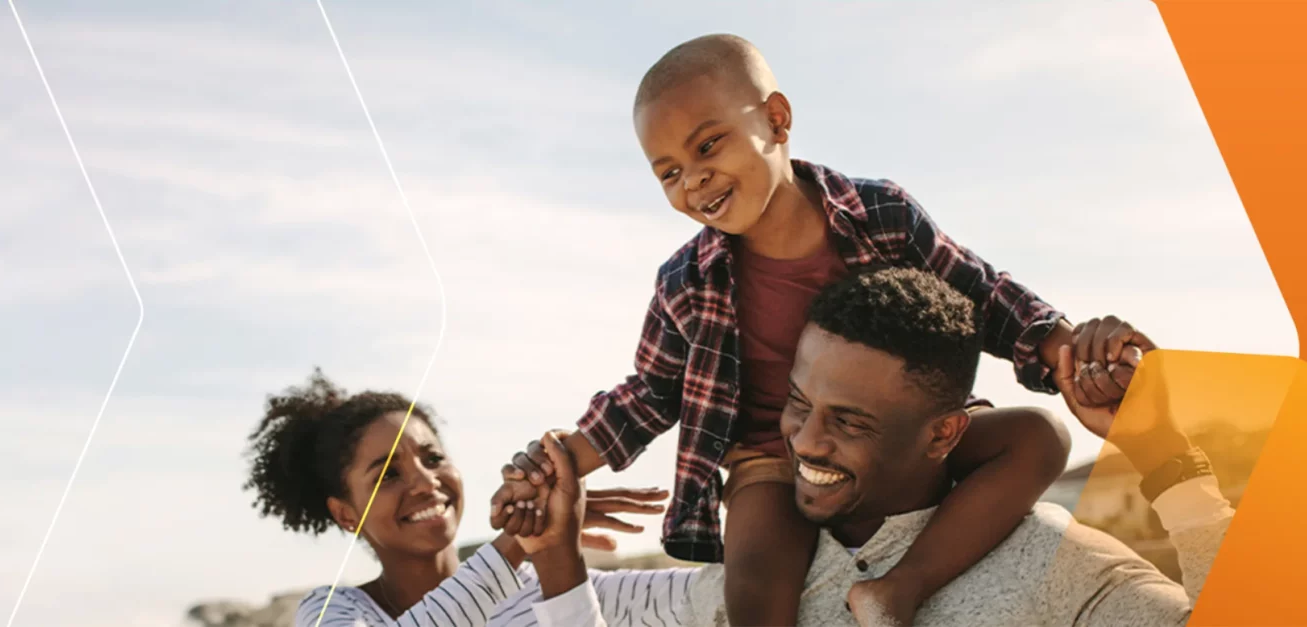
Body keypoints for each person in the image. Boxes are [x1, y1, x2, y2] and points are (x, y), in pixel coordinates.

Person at [497, 33, 1147, 626]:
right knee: (753, 578)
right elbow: (651, 393)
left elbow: (981, 292)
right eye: (667, 170)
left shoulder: (881, 215)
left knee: (1040, 436)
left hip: (897, 433)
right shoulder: (684, 282)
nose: (692, 178)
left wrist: (1063, 344)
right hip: (771, 457)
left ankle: (900, 587)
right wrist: (562, 460)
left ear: (777, 120)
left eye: (708, 144)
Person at [503, 267, 1232, 626]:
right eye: (797, 403)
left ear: (945, 432)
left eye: (849, 421)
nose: (805, 441)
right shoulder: (764, 582)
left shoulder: (1052, 563)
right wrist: (558, 556)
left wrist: (1164, 453)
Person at [241, 371, 700, 627]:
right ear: (345, 514)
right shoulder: (333, 612)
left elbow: (732, 597)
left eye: (433, 456)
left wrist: (558, 554)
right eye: (388, 475)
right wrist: (521, 539)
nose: (425, 482)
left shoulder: (544, 586)